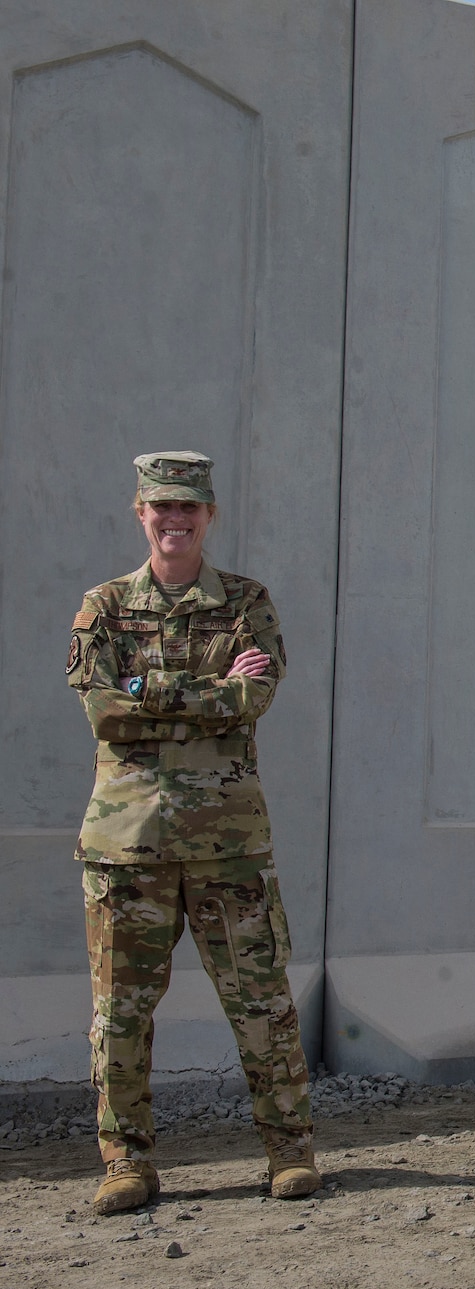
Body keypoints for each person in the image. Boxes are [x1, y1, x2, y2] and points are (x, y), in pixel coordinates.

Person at [65, 451, 319, 1214]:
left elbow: (256, 694)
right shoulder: (104, 606)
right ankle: (127, 1164)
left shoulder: (247, 601)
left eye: (189, 509)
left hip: (228, 845)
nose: (175, 520)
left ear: (210, 515)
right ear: (139, 511)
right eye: (161, 507)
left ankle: (290, 1152)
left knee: (263, 1003)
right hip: (127, 845)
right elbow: (104, 710)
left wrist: (150, 687)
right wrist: (206, 689)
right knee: (120, 1014)